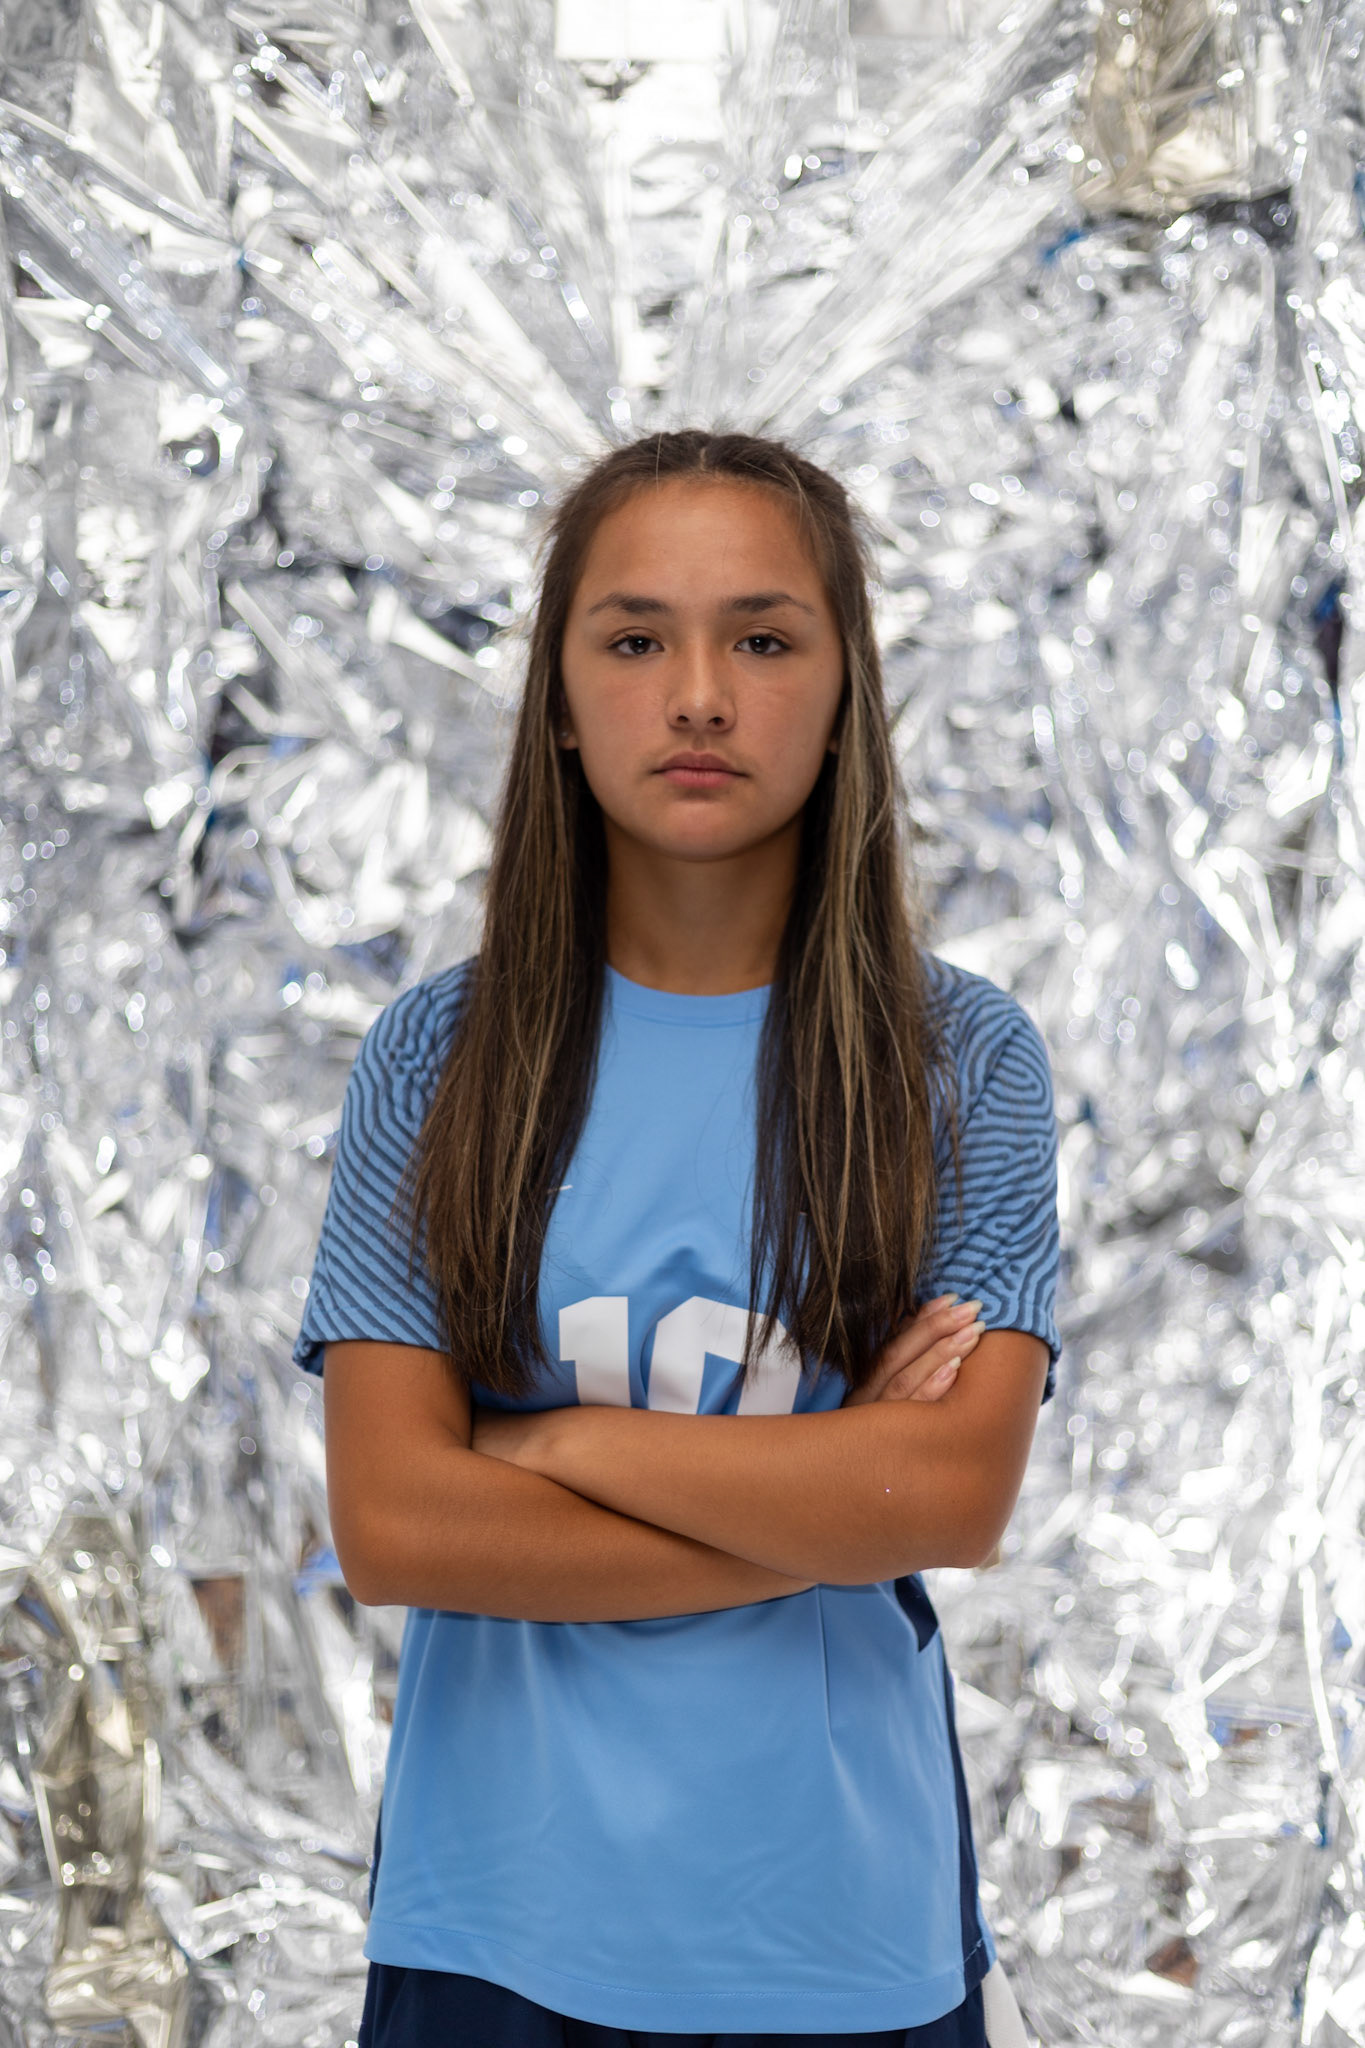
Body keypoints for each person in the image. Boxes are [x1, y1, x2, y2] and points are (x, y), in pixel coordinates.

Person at [292, 428, 1061, 2048]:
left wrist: (545, 1443)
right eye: (635, 641)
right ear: (561, 705)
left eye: (762, 641)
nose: (699, 696)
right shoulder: (437, 1059)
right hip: (497, 1932)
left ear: (843, 694)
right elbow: (397, 1524)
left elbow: (950, 1496)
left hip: (842, 1939)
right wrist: (826, 1497)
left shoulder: (963, 1061)